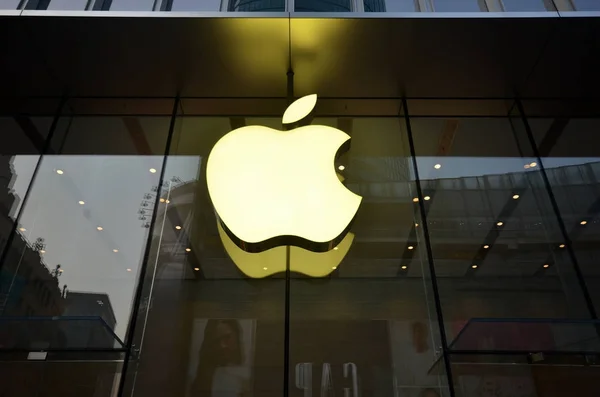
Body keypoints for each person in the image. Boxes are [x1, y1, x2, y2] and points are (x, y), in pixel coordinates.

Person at [190, 319, 249, 397]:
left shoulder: (248, 377)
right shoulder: (205, 379)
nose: (222, 345)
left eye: (227, 337)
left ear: (236, 337)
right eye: (217, 340)